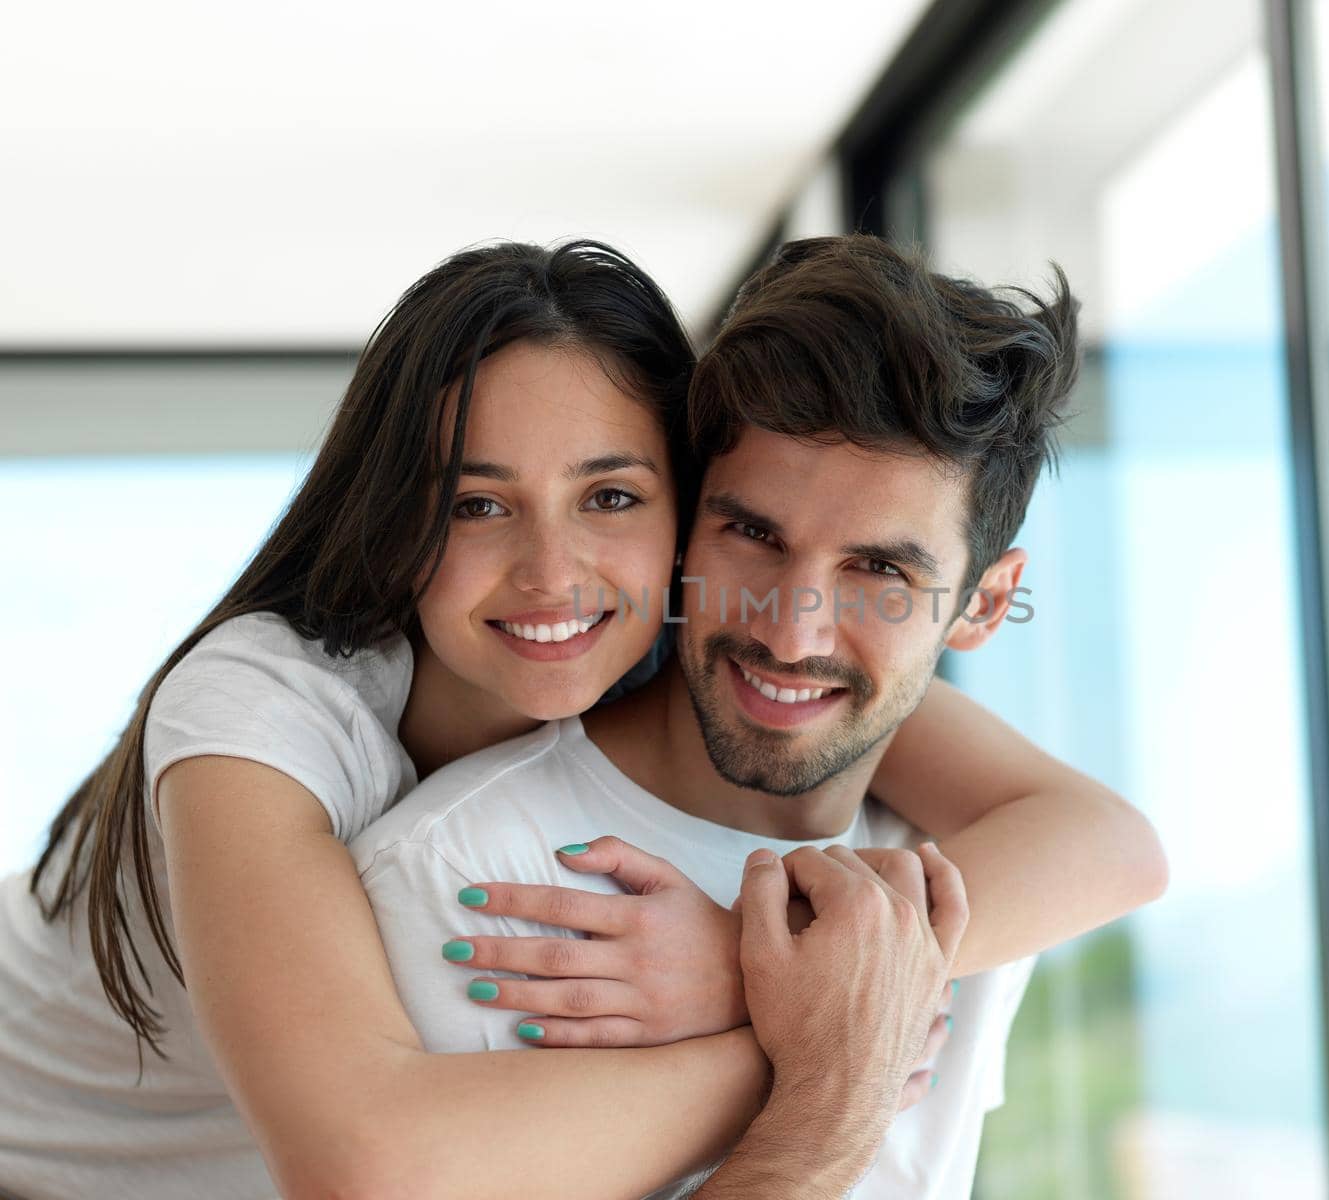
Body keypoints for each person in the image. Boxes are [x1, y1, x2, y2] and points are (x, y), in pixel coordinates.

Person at [0, 240, 1164, 1200]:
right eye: (477, 503)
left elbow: (1105, 841)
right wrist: (815, 1032)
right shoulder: (268, 706)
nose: (554, 573)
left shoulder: (729, 631)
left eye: (610, 497)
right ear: (397, 515)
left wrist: (744, 959)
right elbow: (364, 1164)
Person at [349, 234, 1109, 1197]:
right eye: (752, 534)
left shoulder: (956, 887)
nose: (790, 631)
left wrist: (748, 961)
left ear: (984, 605)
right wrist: (829, 1072)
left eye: (879, 569)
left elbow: (1123, 844)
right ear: (678, 530)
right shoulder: (465, 876)